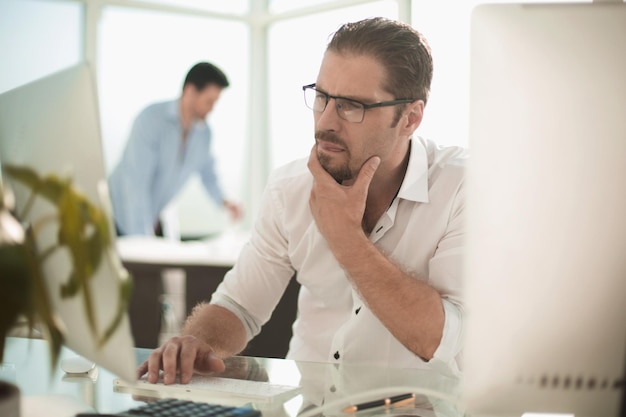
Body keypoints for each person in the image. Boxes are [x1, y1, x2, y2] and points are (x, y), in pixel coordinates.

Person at [139, 17, 466, 383]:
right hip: (306, 406)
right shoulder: (288, 188)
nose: (325, 121)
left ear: (409, 118)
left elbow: (439, 339)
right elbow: (239, 306)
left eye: (351, 106)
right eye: (322, 97)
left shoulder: (461, 188)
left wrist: (346, 238)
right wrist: (196, 344)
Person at [108, 62, 243, 237]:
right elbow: (135, 185)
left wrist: (225, 202)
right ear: (190, 91)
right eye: (209, 101)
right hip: (117, 218)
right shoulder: (151, 120)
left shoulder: (204, 134)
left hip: (152, 219)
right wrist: (141, 242)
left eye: (215, 102)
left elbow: (209, 175)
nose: (212, 109)